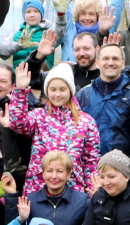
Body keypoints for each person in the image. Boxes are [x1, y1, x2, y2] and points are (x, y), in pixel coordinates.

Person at [7, 61, 102, 194]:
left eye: (62, 89)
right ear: (47, 91)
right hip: (38, 187)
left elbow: (91, 161)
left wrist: (93, 190)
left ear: (70, 91)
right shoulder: (38, 116)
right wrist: (20, 90)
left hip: (74, 190)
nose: (57, 94)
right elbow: (17, 123)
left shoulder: (86, 122)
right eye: (53, 89)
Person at [76, 44, 130, 159]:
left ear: (123, 64)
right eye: (105, 58)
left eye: (115, 58)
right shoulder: (83, 95)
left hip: (119, 172)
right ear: (97, 63)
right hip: (88, 170)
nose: (110, 63)